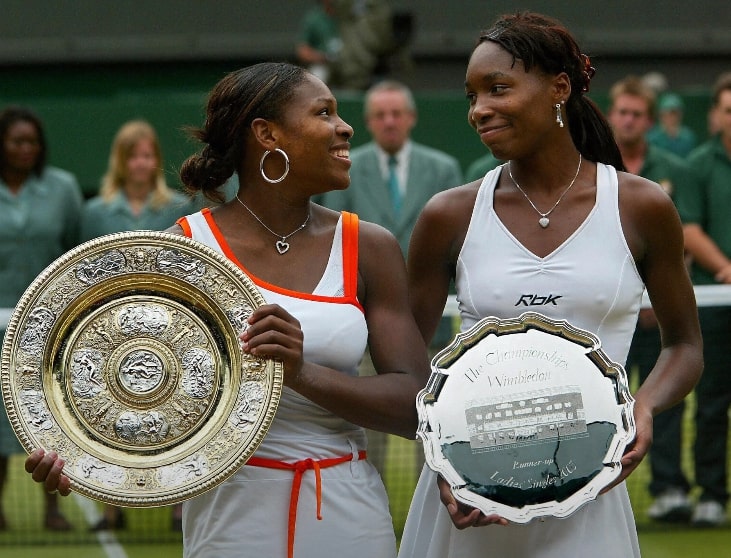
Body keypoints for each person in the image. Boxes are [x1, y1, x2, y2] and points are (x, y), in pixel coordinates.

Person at [24, 62, 430, 558]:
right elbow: (127, 376)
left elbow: (416, 406)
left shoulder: (369, 246)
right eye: (324, 113)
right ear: (267, 134)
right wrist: (80, 454)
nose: (345, 127)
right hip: (228, 521)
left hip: (349, 514)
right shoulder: (185, 249)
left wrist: (301, 373)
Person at [398, 12, 703, 558]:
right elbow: (407, 363)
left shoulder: (642, 205)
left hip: (590, 496)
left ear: (559, 88)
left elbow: (685, 345)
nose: (478, 110)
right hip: (470, 502)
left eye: (497, 89)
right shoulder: (448, 215)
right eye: (471, 96)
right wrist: (446, 458)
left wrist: (645, 408)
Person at [318, 79, 462, 476]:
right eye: (381, 115)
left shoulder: (442, 169)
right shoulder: (346, 167)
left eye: (397, 113)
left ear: (411, 119)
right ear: (368, 121)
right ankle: (369, 499)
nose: (390, 122)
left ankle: (435, 499)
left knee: (432, 418)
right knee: (373, 421)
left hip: (430, 322)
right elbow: (336, 238)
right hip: (362, 318)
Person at [81, 119, 195, 531]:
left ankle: (179, 506)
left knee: (175, 415)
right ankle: (113, 508)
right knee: (107, 417)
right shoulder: (94, 211)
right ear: (121, 161)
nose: (142, 163)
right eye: (134, 155)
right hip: (108, 331)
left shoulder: (179, 207)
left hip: (167, 326)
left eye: (148, 155)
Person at [607, 75, 698, 522]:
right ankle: (594, 479)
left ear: (649, 120)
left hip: (658, 317)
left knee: (662, 401)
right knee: (604, 402)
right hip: (609, 320)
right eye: (622, 112)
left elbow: (678, 245)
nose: (628, 120)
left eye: (637, 114)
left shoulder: (674, 169)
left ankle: (669, 489)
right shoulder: (592, 167)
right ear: (611, 115)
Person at [0, 105, 83, 531]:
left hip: (45, 326)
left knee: (48, 419)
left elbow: (73, 251)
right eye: (17, 141)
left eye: (32, 141)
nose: (25, 149)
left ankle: (53, 509)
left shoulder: (63, 188)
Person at [676, 71, 731, 528]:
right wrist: (726, 269)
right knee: (711, 402)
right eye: (729, 110)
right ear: (717, 115)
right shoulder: (697, 165)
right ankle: (712, 494)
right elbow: (689, 227)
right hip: (716, 302)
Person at [295, 0, 395, 90]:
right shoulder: (315, 18)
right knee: (317, 76)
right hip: (325, 65)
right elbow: (302, 51)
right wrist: (323, 57)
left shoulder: (353, 17)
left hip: (353, 67)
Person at [647, 92, 698, 158]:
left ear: (680, 115)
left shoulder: (688, 137)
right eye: (667, 113)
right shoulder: (652, 138)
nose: (670, 117)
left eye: (674, 113)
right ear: (661, 115)